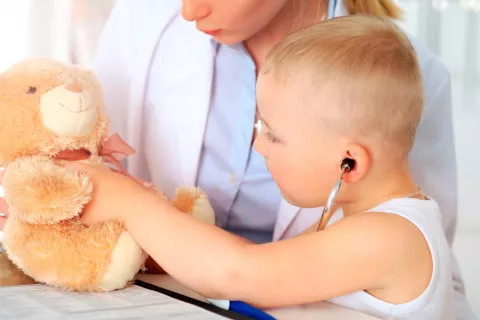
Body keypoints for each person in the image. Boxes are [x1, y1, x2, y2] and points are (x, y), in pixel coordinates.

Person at [0, 0, 474, 318]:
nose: (258, 145)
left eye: (272, 134)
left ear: (348, 163)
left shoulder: (389, 237)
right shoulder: (354, 219)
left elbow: (244, 272)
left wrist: (132, 205)